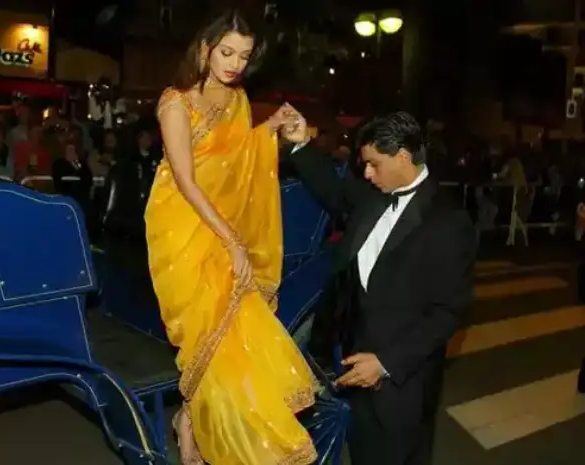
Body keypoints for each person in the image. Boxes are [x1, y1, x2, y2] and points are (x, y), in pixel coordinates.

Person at [145, 10, 318, 465]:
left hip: (222, 225)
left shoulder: (238, 100)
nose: (235, 64)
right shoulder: (174, 102)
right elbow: (186, 180)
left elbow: (240, 159)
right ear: (204, 48)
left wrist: (271, 131)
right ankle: (195, 423)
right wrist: (233, 242)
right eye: (226, 52)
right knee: (204, 332)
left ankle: (191, 421)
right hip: (180, 226)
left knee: (231, 336)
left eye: (243, 56)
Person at [282, 111, 476, 465]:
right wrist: (301, 144)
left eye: (373, 164)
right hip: (356, 368)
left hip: (402, 384)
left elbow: (448, 311)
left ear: (403, 157)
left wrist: (386, 363)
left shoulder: (448, 222)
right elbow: (335, 190)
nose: (367, 174)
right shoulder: (375, 195)